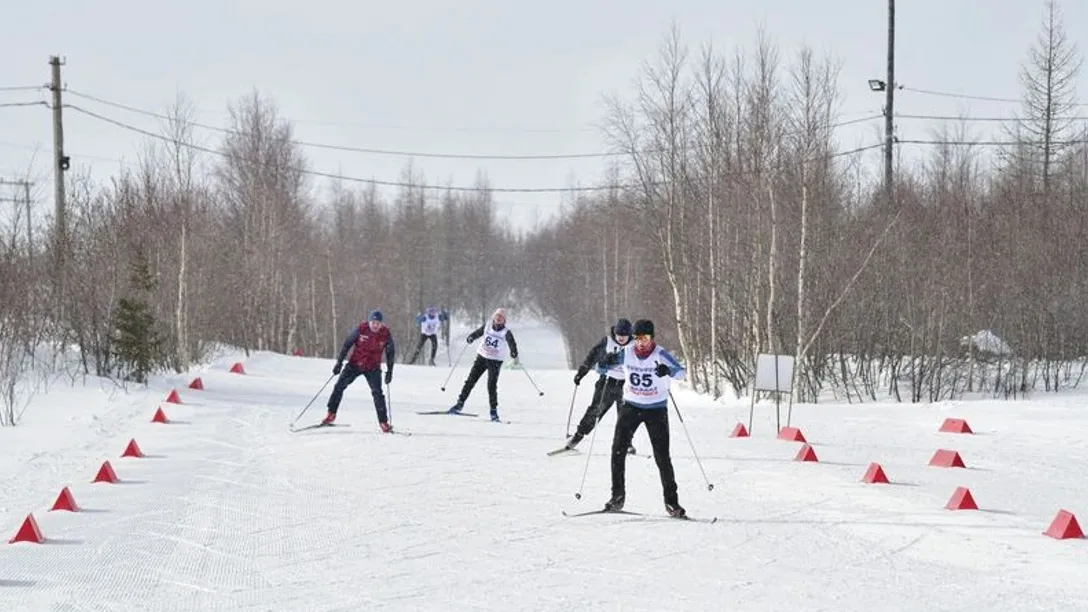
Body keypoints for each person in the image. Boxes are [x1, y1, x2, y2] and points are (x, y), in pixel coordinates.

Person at [595, 318, 687, 517]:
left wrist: (667, 371)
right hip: (630, 407)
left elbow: (681, 373)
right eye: (637, 338)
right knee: (617, 451)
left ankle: (672, 503)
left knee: (662, 457)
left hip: (656, 409)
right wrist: (604, 363)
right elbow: (601, 369)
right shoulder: (626, 353)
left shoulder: (660, 354)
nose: (640, 342)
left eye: (644, 338)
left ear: (652, 338)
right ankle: (617, 497)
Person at [565, 318, 637, 454]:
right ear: (614, 333)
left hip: (627, 384)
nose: (621, 338)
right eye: (618, 335)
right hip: (607, 382)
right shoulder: (607, 342)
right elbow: (592, 356)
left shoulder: (635, 345)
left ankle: (627, 442)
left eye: (624, 335)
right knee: (596, 410)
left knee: (626, 415)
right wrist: (582, 372)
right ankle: (577, 437)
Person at [323, 309, 396, 432]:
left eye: (378, 323)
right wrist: (339, 363)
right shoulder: (361, 329)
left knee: (377, 393)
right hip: (355, 364)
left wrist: (390, 371)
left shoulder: (385, 334)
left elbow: (390, 353)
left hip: (373, 368)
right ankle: (331, 414)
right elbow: (347, 345)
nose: (375, 325)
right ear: (369, 322)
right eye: (373, 322)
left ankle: (383, 422)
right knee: (339, 386)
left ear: (381, 324)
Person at [447, 308, 518, 422]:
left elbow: (512, 343)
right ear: (494, 317)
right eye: (497, 316)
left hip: (495, 360)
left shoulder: (506, 332)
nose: (498, 318)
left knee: (491, 385)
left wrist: (514, 352)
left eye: (501, 317)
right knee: (470, 381)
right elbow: (478, 333)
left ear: (504, 320)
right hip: (482, 357)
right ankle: (459, 404)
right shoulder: (488, 325)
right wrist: (471, 337)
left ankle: (493, 411)